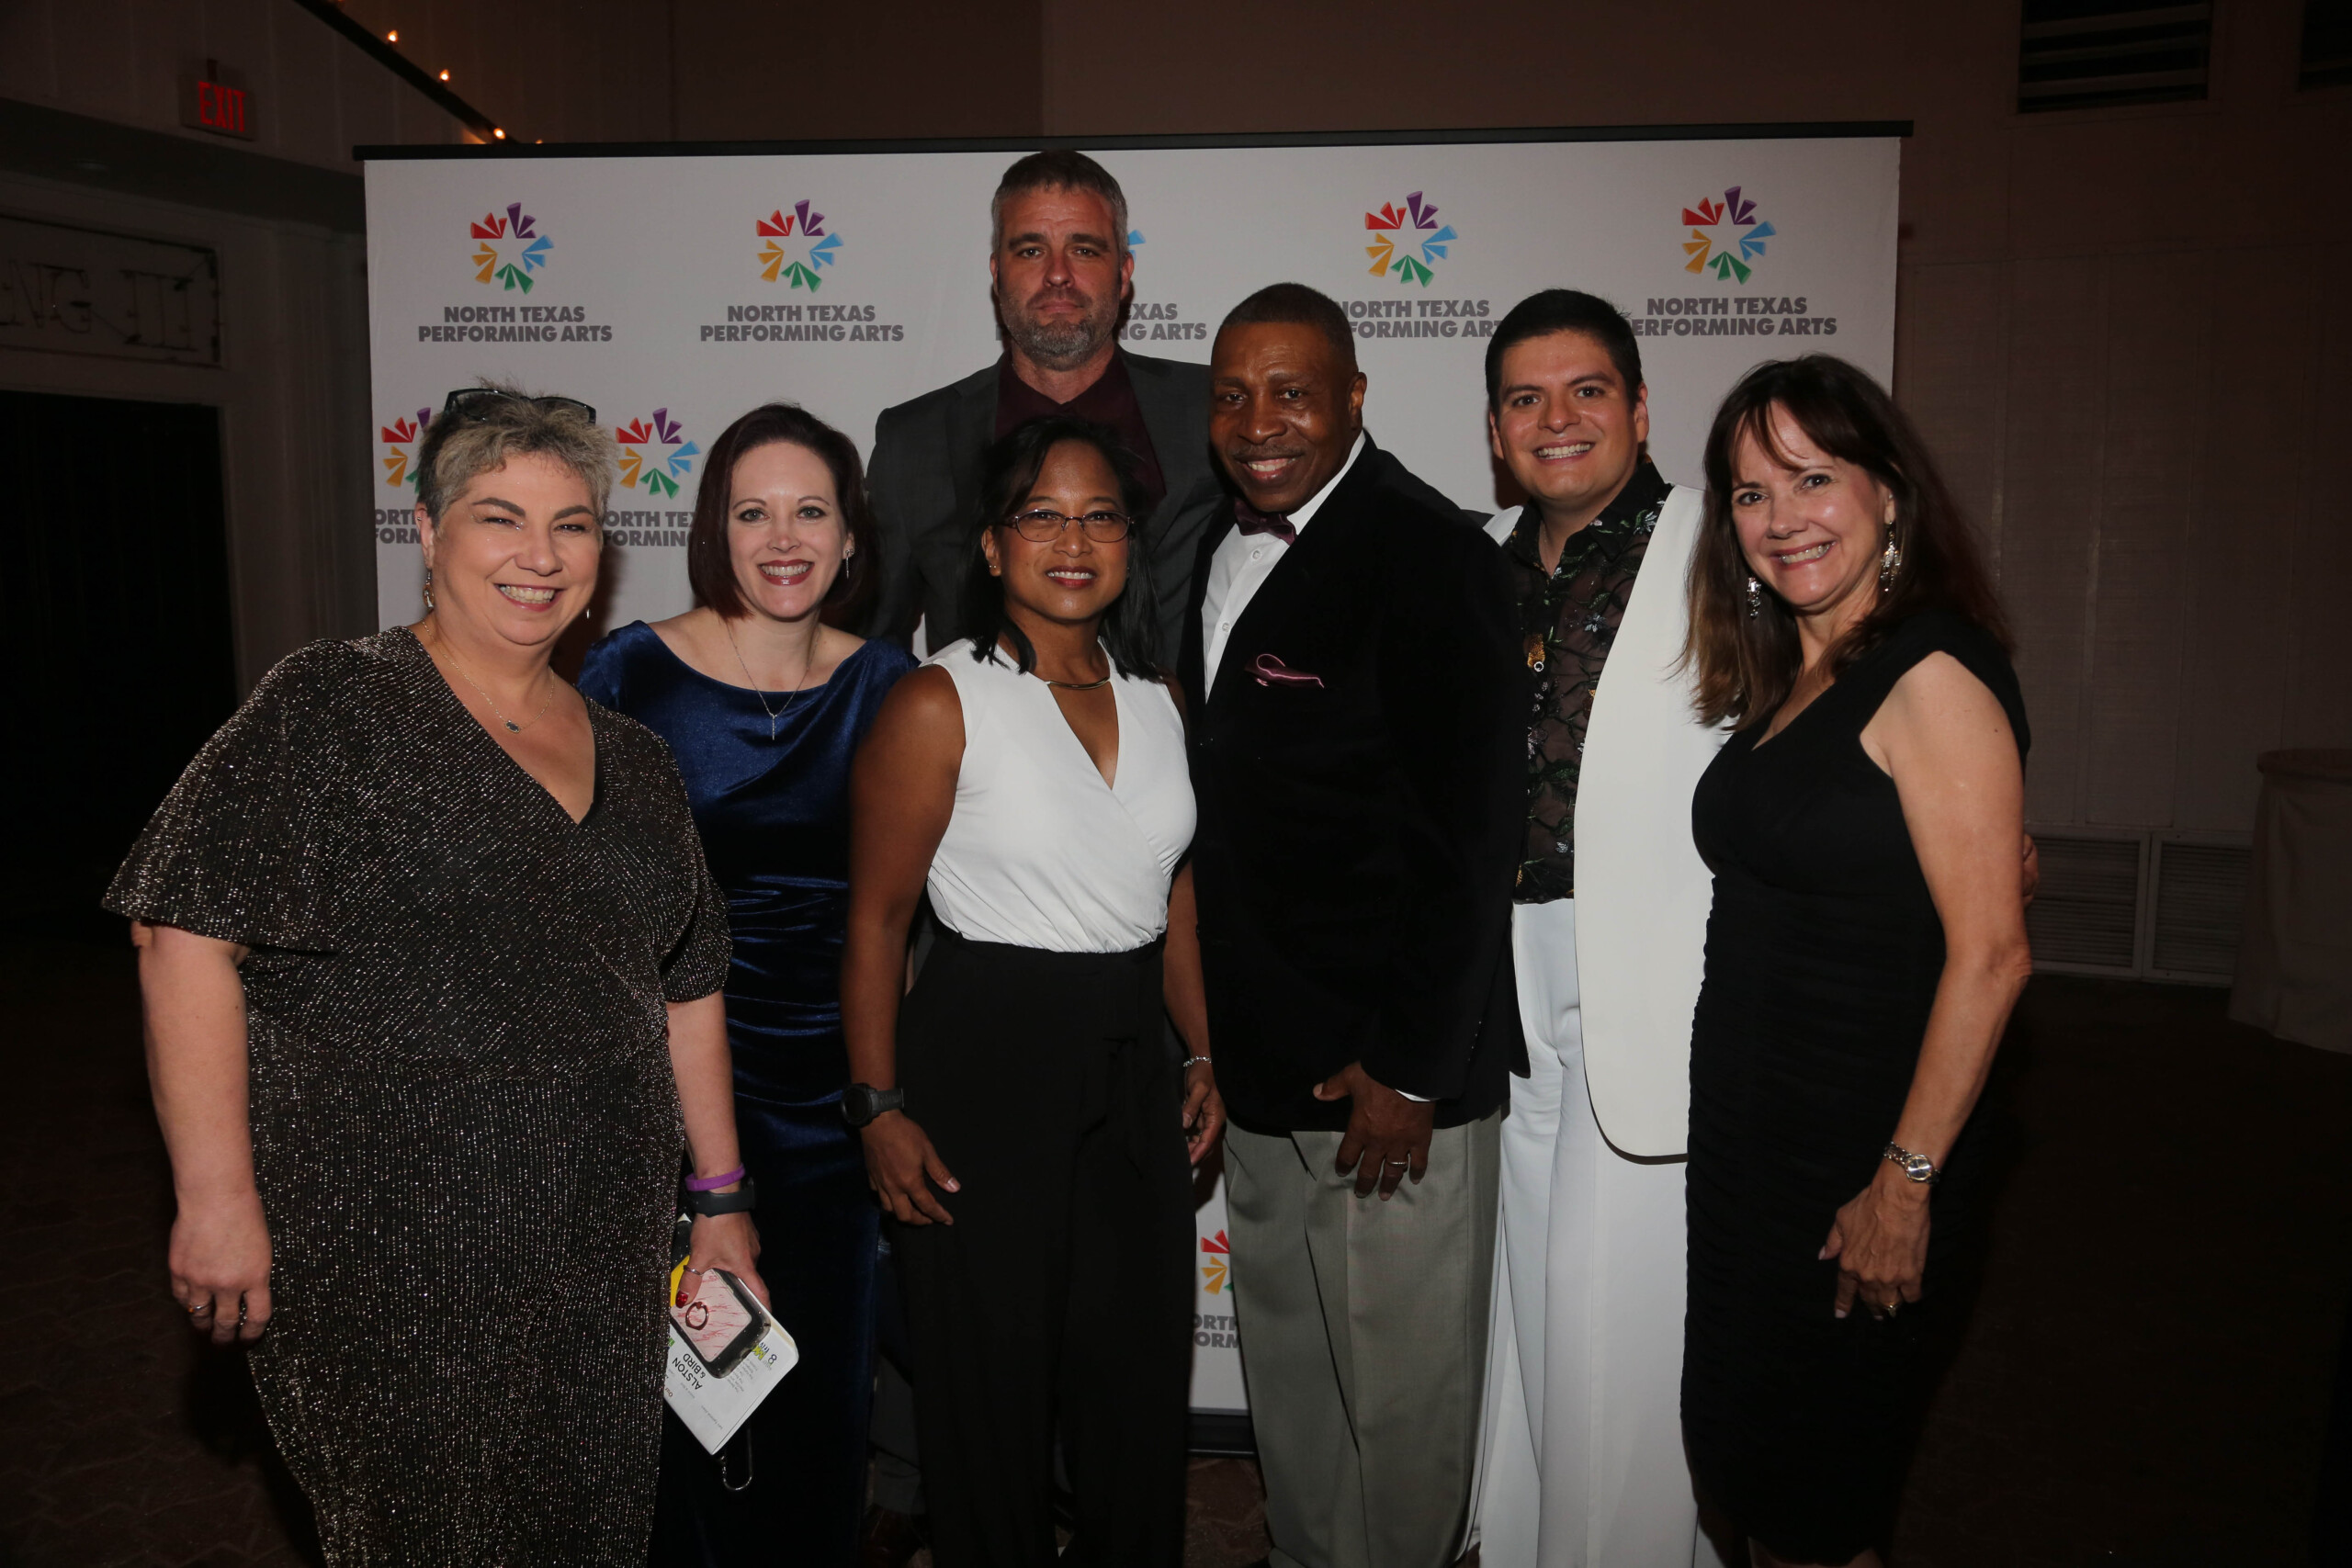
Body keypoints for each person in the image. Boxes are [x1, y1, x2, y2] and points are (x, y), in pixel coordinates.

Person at [106, 384, 764, 1567]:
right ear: (426, 533)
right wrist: (215, 1198)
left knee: (589, 1534)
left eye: (570, 526)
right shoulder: (336, 705)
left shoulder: (634, 755)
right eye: (498, 517)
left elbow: (687, 984)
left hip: (597, 1252)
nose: (539, 555)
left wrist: (717, 1201)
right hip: (392, 1252)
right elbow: (182, 932)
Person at [840, 415, 1223, 1566]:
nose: (1074, 539)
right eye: (1041, 516)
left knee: (1136, 1389)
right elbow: (873, 923)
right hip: (981, 1065)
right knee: (990, 1402)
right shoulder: (936, 702)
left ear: (1129, 544)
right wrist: (876, 1106)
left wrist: (1201, 1051)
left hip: (1129, 1072)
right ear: (993, 548)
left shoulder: (1159, 700)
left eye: (1100, 516)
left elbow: (1172, 898)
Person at [1181, 283, 1523, 1568]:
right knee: (1299, 1397)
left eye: (1292, 390)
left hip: (1389, 1085)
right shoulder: (1213, 545)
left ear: (1356, 398)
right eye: (1231, 393)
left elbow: (1471, 839)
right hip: (1266, 1075)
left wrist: (1413, 1065)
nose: (1259, 421)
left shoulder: (1431, 555)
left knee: (1401, 1409)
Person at [1679, 355, 2032, 1567]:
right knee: (1759, 1479)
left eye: (1812, 477)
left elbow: (1991, 955)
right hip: (1757, 1154)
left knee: (1819, 1505)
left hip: (1858, 1161)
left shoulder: (1928, 668)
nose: (1782, 518)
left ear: (1890, 491)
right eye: (1749, 492)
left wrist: (1904, 1181)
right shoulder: (1798, 671)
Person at [576, 402, 918, 1565]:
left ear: (853, 537)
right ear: (713, 531)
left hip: (837, 1096)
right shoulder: (629, 674)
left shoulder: (891, 686)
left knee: (818, 1392)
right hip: (670, 1088)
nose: (784, 538)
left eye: (811, 511)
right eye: (753, 512)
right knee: (680, 1397)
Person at [1465, 290, 1731, 1568]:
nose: (1555, 419)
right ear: (1495, 429)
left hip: (1655, 974)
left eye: (1584, 391)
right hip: (1511, 974)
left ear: (1637, 405)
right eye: (1525, 397)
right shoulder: (1487, 568)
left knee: (1615, 1318)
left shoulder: (1719, 550)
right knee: (1532, 1306)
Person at [865, 149, 1224, 658]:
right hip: (979, 736)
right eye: (1031, 251)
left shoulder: (1212, 410)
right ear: (997, 273)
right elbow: (872, 650)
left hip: (1177, 732)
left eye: (1084, 250)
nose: (1058, 274)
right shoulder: (914, 441)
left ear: (1124, 273)